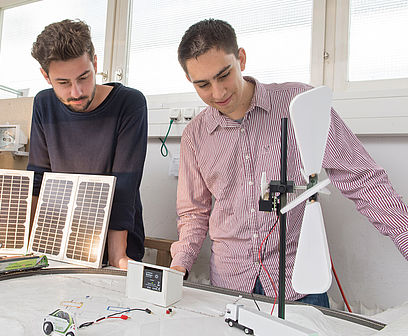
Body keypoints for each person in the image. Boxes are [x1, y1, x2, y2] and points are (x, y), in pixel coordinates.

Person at [170, 19, 408, 307]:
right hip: (230, 286)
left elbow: (363, 179)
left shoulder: (300, 103)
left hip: (298, 283)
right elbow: (194, 213)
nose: (218, 93)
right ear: (189, 81)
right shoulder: (195, 136)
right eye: (203, 85)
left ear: (241, 59)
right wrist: (179, 266)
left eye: (224, 75)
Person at [28, 19, 147, 269]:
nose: (76, 92)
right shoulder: (43, 104)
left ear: (95, 62)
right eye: (63, 83)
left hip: (116, 239)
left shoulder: (130, 104)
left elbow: (124, 187)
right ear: (46, 76)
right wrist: (28, 245)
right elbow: (38, 178)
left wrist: (117, 257)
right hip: (59, 240)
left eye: (84, 77)